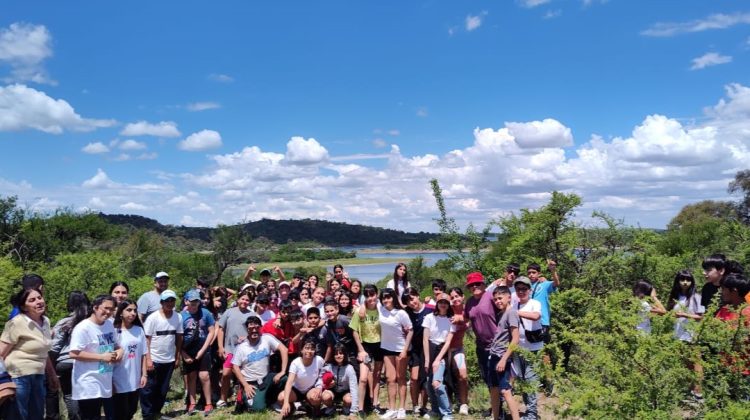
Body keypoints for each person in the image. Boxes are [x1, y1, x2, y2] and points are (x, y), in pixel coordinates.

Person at [0, 286, 59, 420]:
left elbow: (45, 352)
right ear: (24, 307)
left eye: (39, 298)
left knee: (37, 415)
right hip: (18, 376)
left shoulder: (46, 322)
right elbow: (1, 353)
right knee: (19, 415)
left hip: (38, 375)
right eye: (32, 300)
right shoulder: (16, 323)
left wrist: (52, 375)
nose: (38, 301)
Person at [69, 294, 121, 420]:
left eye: (112, 309)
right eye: (105, 308)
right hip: (88, 382)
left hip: (105, 378)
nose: (108, 312)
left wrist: (119, 352)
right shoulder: (83, 328)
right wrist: (102, 357)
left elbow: (117, 346)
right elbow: (74, 353)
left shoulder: (109, 324)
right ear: (95, 307)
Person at [141, 290, 184, 420]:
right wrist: (148, 359)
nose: (170, 303)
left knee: (163, 389)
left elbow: (179, 338)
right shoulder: (153, 318)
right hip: (154, 358)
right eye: (167, 301)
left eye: (172, 300)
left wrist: (177, 357)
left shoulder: (178, 317)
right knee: (149, 389)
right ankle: (147, 415)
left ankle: (156, 412)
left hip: (169, 359)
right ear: (161, 302)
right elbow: (146, 339)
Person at [231, 316, 288, 412]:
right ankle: (249, 397)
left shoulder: (267, 338)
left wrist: (282, 371)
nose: (254, 331)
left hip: (266, 378)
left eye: (257, 327)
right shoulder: (241, 347)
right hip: (251, 383)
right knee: (258, 409)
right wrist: (245, 385)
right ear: (247, 329)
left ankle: (273, 400)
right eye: (251, 328)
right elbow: (235, 367)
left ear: (260, 327)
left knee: (284, 378)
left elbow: (284, 349)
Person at [48, 291, 90, 420]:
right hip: (87, 361)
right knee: (86, 394)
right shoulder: (91, 322)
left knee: (70, 395)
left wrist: (51, 366)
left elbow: (55, 346)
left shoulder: (65, 322)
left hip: (65, 362)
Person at [665, 269, 705, 399]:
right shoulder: (675, 297)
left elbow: (701, 317)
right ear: (677, 281)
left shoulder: (696, 297)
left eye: (688, 280)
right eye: (682, 280)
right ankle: (690, 391)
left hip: (692, 335)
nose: (685, 283)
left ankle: (699, 392)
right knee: (685, 364)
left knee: (696, 364)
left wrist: (684, 314)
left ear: (692, 282)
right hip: (678, 335)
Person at [216, 290, 257, 406]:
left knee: (243, 375)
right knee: (225, 373)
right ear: (238, 299)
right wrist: (220, 346)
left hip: (245, 350)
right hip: (230, 349)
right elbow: (221, 329)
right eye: (243, 299)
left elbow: (255, 331)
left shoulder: (252, 315)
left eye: (247, 300)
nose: (244, 301)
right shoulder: (229, 312)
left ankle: (241, 399)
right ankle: (223, 398)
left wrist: (247, 337)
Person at [512, 276, 545, 420]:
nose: (521, 291)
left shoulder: (534, 303)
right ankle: (528, 410)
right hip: (518, 349)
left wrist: (516, 313)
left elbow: (536, 316)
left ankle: (532, 414)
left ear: (529, 290)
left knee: (531, 380)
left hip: (534, 349)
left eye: (524, 289)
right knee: (522, 379)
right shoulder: (514, 305)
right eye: (518, 289)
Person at [377, 288, 413, 420]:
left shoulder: (401, 313)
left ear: (393, 298)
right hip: (386, 348)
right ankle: (392, 409)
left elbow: (410, 331)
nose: (386, 300)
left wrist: (405, 349)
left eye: (388, 297)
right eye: (383, 298)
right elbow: (367, 304)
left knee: (401, 378)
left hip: (400, 349)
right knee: (390, 379)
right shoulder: (381, 310)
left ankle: (402, 408)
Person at [181, 290, 216, 415]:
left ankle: (208, 403)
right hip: (188, 349)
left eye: (197, 301)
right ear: (186, 301)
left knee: (204, 376)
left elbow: (211, 331)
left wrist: (203, 349)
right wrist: (183, 354)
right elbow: (178, 337)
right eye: (192, 301)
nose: (195, 304)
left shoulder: (205, 313)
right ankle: (192, 403)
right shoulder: (181, 316)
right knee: (191, 376)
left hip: (203, 348)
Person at [488, 286, 520, 420]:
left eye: (500, 298)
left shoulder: (511, 313)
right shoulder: (501, 314)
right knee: (494, 390)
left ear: (509, 297)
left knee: (505, 391)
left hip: (502, 357)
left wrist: (504, 359)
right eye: (495, 299)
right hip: (493, 356)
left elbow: (515, 338)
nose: (497, 301)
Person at [112, 299, 147, 420]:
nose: (132, 313)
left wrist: (144, 374)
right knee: (121, 413)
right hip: (119, 378)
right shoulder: (113, 331)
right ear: (121, 312)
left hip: (135, 379)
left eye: (135, 310)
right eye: (129, 310)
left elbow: (143, 353)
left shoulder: (139, 330)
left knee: (132, 410)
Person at [422, 293, 455, 420]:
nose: (443, 305)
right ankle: (435, 410)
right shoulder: (429, 317)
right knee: (429, 383)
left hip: (442, 352)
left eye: (445, 303)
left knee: (437, 383)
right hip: (429, 350)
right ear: (437, 303)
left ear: (448, 305)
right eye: (441, 302)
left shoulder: (451, 320)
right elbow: (425, 339)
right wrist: (427, 359)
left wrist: (437, 360)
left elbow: (448, 342)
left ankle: (447, 413)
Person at [350, 284, 383, 414]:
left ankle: (375, 403)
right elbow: (354, 331)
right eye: (367, 295)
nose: (370, 298)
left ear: (376, 294)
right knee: (363, 378)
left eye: (373, 294)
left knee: (377, 376)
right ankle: (361, 408)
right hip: (366, 346)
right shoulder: (359, 311)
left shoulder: (382, 309)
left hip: (380, 345)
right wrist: (361, 349)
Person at [278, 338, 331, 418]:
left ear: (315, 351)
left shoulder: (319, 360)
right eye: (306, 348)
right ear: (301, 350)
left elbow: (325, 373)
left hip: (310, 389)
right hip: (296, 390)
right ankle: (292, 408)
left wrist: (319, 386)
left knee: (316, 398)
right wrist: (286, 403)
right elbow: (289, 382)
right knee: (281, 398)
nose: (309, 351)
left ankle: (315, 408)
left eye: (312, 349)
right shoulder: (296, 363)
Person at [463, 272, 499, 386]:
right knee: (487, 376)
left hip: (497, 344)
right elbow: (466, 319)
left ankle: (501, 401)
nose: (474, 287)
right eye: (471, 285)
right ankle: (496, 403)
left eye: (477, 284)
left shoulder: (491, 297)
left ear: (483, 284)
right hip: (481, 346)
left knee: (498, 376)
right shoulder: (469, 302)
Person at [403, 287, 432, 416]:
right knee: (414, 378)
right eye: (408, 301)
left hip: (428, 349)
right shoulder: (406, 312)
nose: (411, 303)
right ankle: (415, 405)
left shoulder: (430, 310)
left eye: (412, 298)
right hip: (414, 349)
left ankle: (423, 406)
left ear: (418, 295)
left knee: (425, 379)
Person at [447, 287, 469, 415]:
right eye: (452, 297)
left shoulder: (468, 310)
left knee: (463, 376)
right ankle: (448, 402)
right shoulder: (448, 309)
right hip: (445, 349)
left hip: (458, 348)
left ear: (462, 297)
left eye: (457, 296)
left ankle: (463, 403)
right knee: (447, 377)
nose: (455, 299)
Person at [526, 260, 560, 343]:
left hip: (542, 321)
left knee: (544, 349)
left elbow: (556, 283)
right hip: (528, 320)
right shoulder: (525, 286)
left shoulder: (544, 284)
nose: (531, 275)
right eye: (529, 273)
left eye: (534, 272)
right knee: (529, 348)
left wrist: (553, 270)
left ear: (539, 273)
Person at [329, 342, 359, 417]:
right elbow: (320, 378)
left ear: (344, 355)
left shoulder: (349, 368)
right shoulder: (329, 366)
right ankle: (330, 407)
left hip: (345, 391)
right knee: (325, 396)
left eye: (341, 353)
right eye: (336, 354)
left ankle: (346, 408)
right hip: (333, 391)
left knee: (348, 399)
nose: (338, 356)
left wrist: (353, 411)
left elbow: (354, 388)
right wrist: (327, 384)